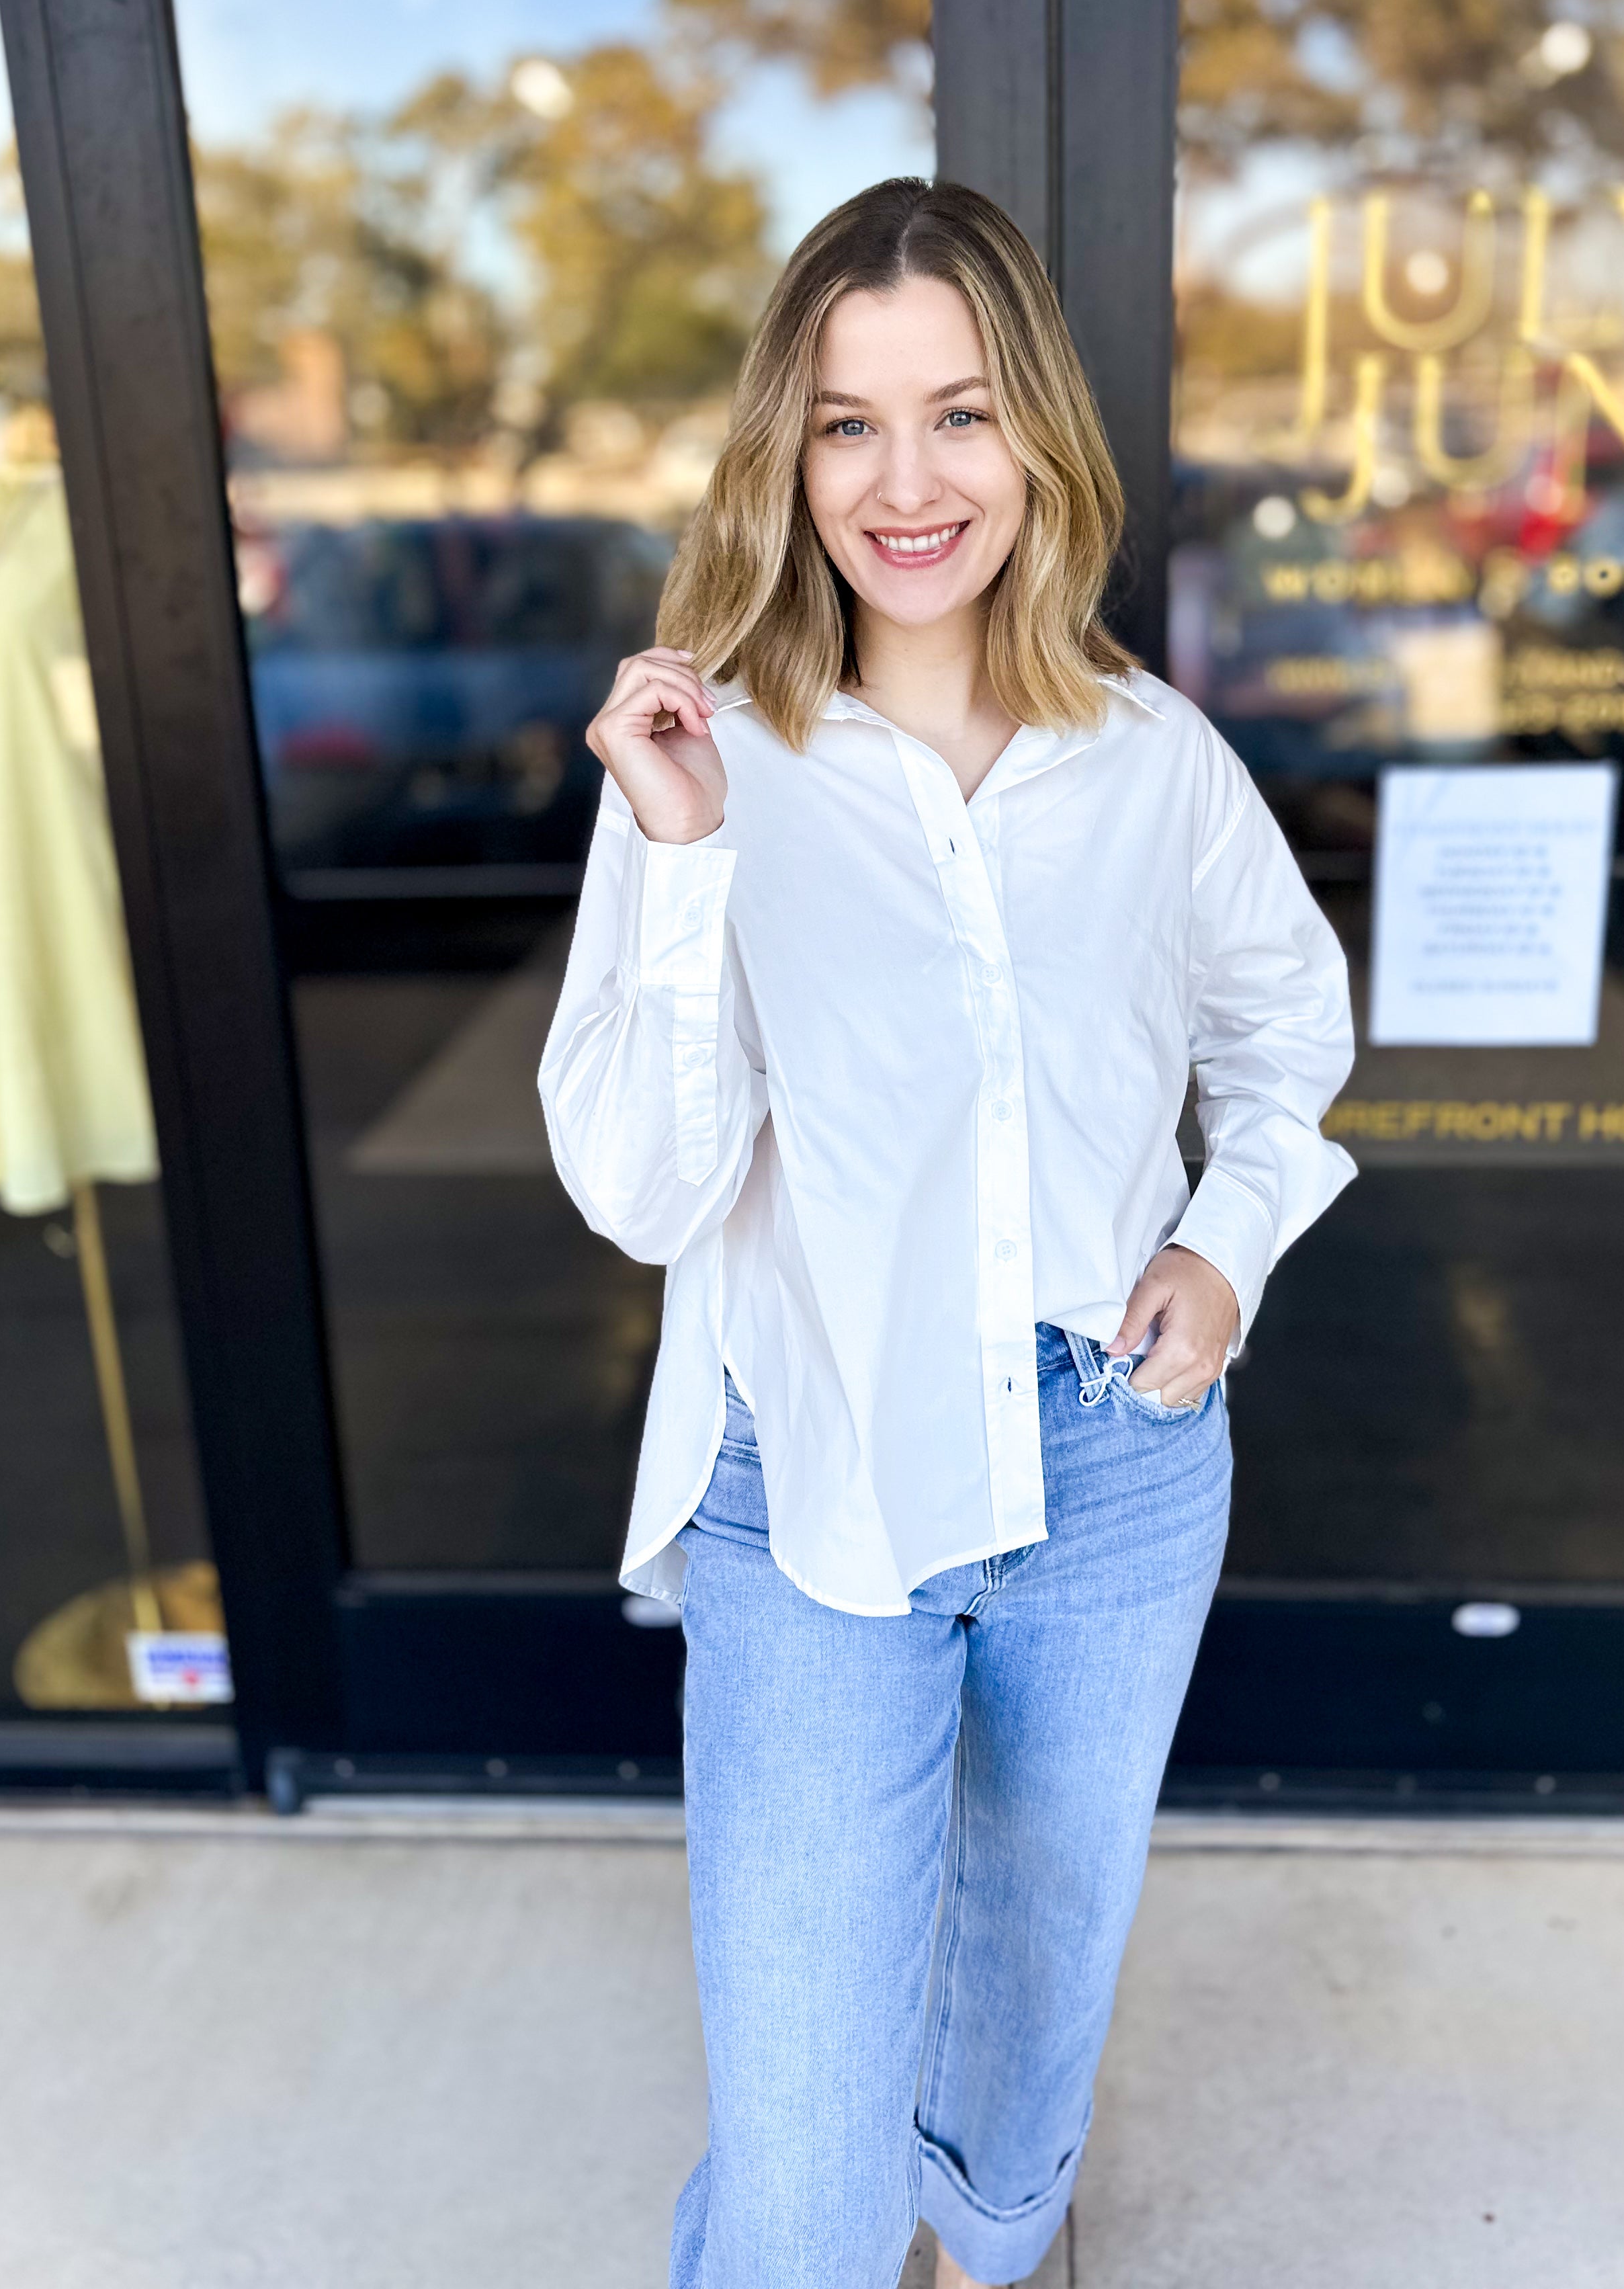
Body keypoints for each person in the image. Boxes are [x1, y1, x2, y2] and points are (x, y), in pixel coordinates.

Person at [540, 177, 1355, 2288]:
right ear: (785, 457)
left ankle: (981, 2257)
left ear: (1039, 443)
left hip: (1117, 1460)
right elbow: (640, 1190)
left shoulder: (1152, 762)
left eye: (961, 414)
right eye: (845, 425)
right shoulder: (701, 758)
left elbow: (1287, 1033)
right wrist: (692, 862)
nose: (908, 481)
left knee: (1017, 2077)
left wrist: (1230, 1237)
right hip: (817, 1482)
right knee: (803, 2184)